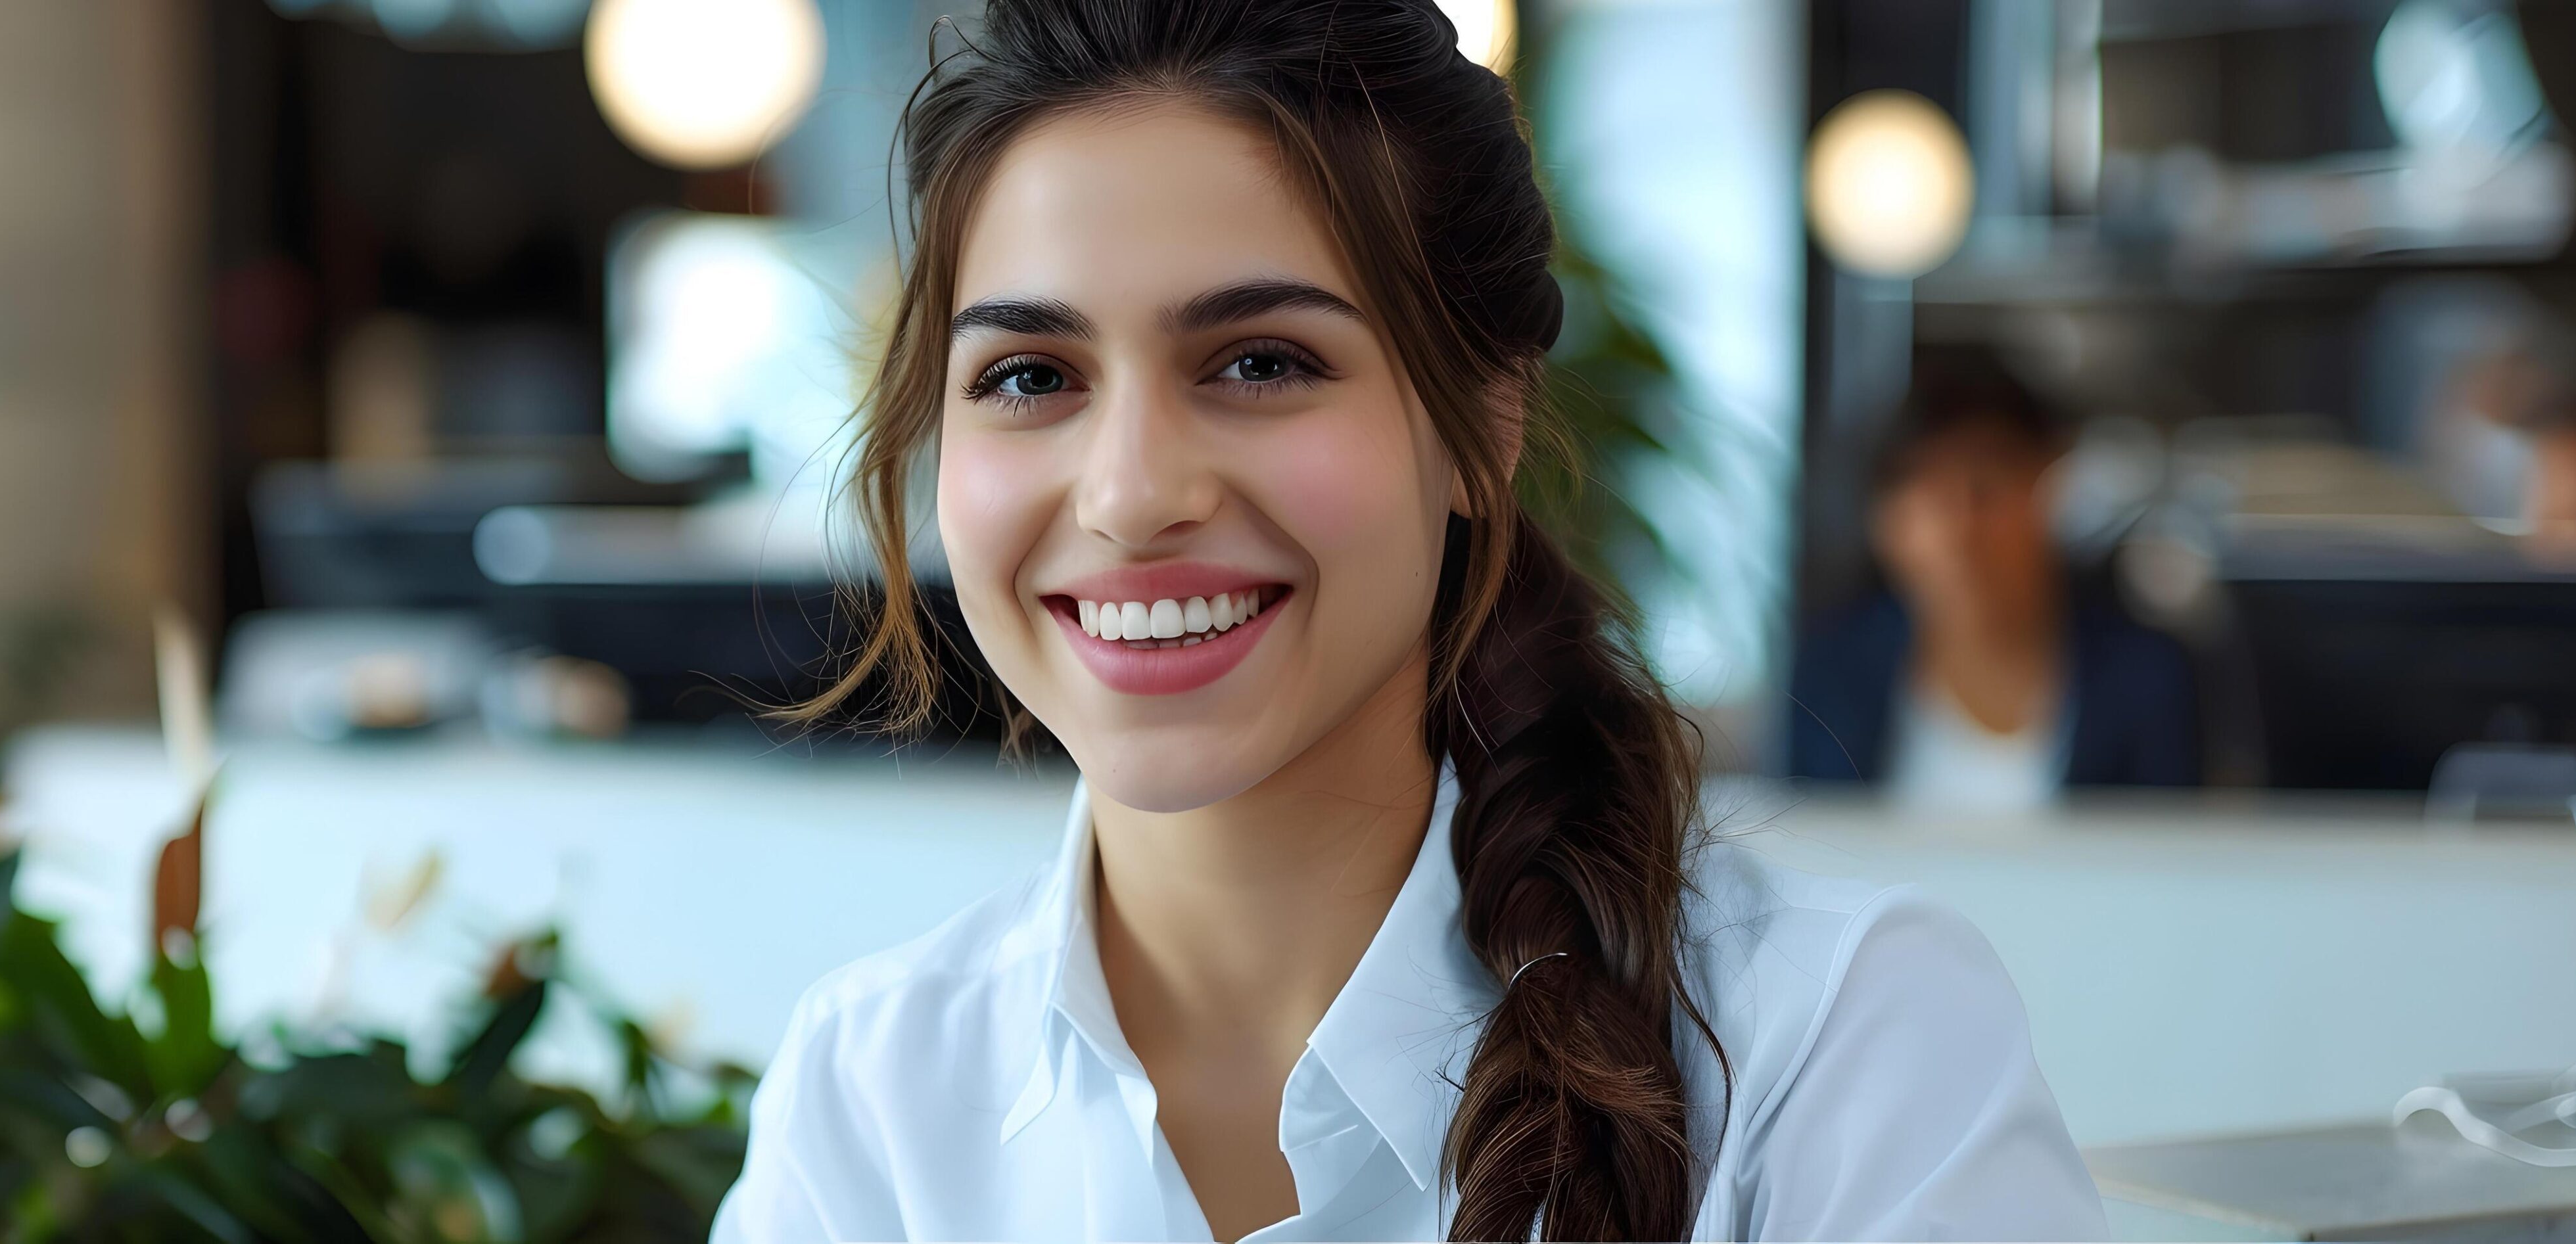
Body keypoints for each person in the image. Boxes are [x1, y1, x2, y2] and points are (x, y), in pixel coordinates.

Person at [714, 3, 2105, 1239]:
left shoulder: (1836, 1044)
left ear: (1481, 421)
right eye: (1028, 376)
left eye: (1261, 361)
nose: (1133, 493)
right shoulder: (872, 1096)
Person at [1787, 348, 2201, 807]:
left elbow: (2172, 860)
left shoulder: (2147, 678)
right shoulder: (1830, 672)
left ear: (2052, 487)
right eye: (1931, 494)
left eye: (1986, 486)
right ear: (1884, 522)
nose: (1963, 528)